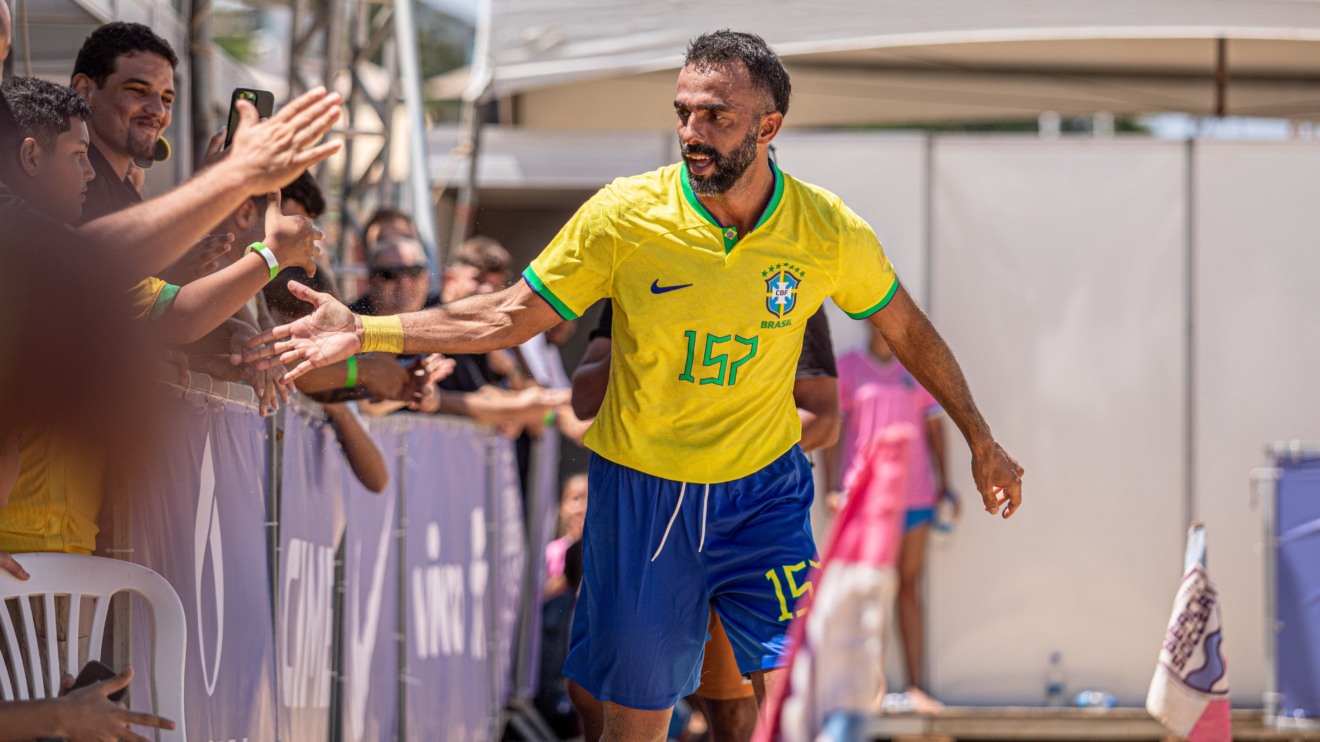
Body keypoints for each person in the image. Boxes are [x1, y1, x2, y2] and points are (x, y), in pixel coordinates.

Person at [243, 30, 1024, 740]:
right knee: (630, 721)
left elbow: (907, 329)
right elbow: (510, 315)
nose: (692, 133)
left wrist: (979, 437)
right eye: (683, 113)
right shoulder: (625, 216)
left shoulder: (827, 230)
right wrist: (368, 330)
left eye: (715, 116)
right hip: (646, 494)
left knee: (790, 693)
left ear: (768, 126)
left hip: (765, 490)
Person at [569, 300, 840, 741]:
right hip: (650, 514)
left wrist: (723, 452)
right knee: (592, 696)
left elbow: (824, 419)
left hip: (748, 516)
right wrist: (649, 337)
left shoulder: (787, 278)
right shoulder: (640, 268)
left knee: (736, 712)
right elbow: (583, 399)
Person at [824, 324, 958, 713]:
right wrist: (832, 486)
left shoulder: (915, 367)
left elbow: (935, 429)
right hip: (864, 500)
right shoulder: (846, 368)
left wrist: (945, 486)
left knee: (907, 587)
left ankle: (915, 686)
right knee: (869, 593)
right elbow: (833, 432)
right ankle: (873, 690)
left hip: (915, 495)